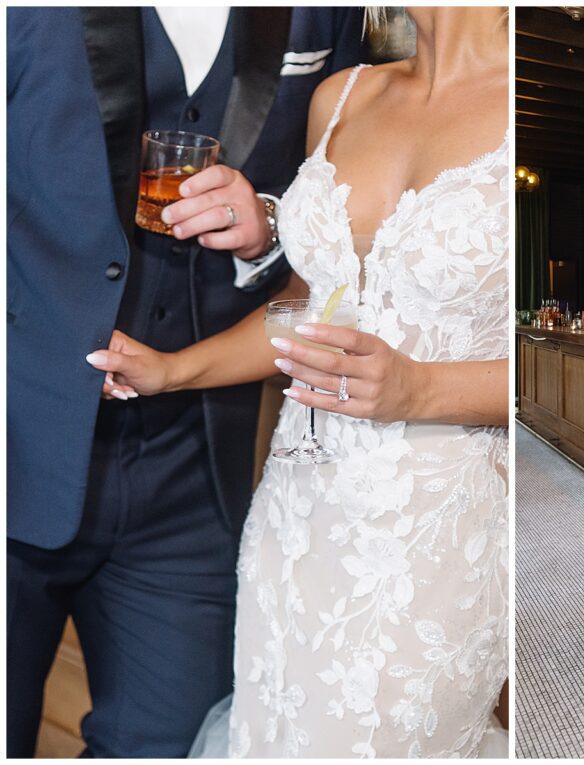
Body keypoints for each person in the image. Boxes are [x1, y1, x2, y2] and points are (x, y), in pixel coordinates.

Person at [86, 7, 510, 758]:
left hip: (434, 536)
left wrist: (419, 389)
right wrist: (173, 370)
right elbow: (312, 310)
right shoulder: (341, 95)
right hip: (297, 513)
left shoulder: (523, 101)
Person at [6, 7, 364, 757]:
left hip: (192, 466)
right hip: (16, 436)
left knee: (172, 745)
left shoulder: (327, 14)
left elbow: (340, 233)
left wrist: (269, 227)